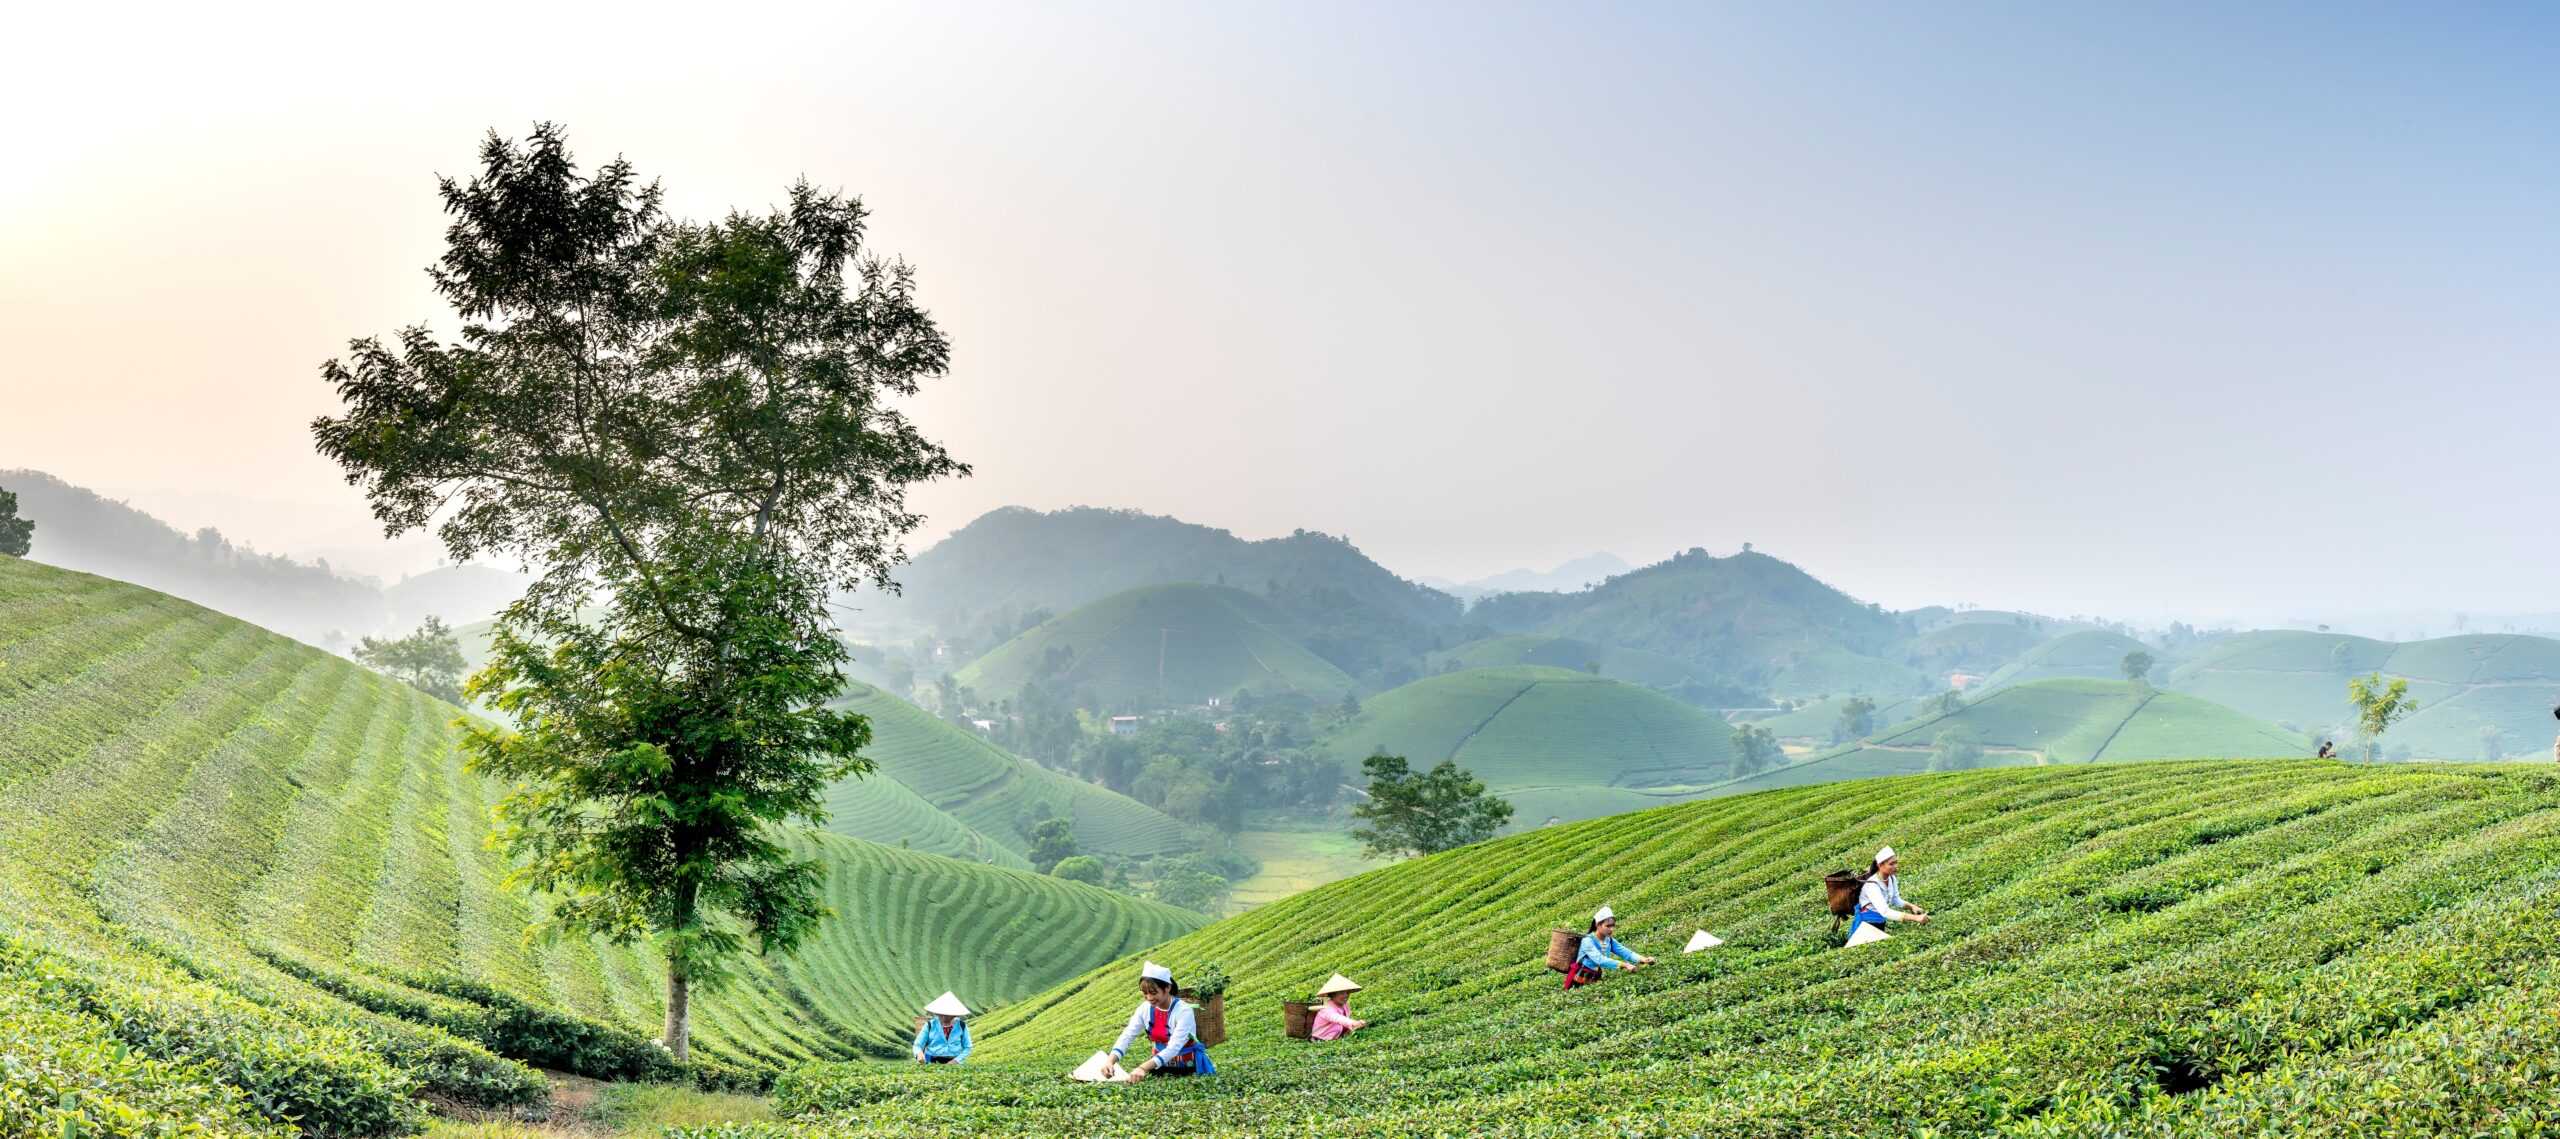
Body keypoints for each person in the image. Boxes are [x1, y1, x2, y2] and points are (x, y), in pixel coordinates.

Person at [1100, 961, 1214, 1080]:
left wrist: (1142, 1068)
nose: (1149, 998)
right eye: (1145, 993)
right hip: (1157, 1067)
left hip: (1185, 1067)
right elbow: (1128, 1035)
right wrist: (1110, 1061)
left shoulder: (1183, 1011)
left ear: (1167, 988)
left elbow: (1174, 1047)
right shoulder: (1144, 1009)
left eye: (1154, 993)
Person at [1564, 905, 1653, 989]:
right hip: (1579, 977)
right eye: (1608, 926)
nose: (1611, 929)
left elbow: (1625, 952)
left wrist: (1643, 959)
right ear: (1598, 925)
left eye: (1613, 925)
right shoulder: (1588, 940)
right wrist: (1624, 965)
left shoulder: (1609, 939)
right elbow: (1599, 959)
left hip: (1595, 976)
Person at [1849, 846, 1928, 937]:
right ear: (1880, 865)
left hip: (1880, 920)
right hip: (1867, 923)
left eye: (1896, 863)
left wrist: (1911, 906)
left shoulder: (1891, 878)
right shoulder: (1872, 885)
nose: (1895, 866)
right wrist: (1915, 918)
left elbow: (1895, 899)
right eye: (1891, 864)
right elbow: (1885, 911)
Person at [912, 991, 972, 1064]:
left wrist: (956, 1061)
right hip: (931, 1061)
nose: (943, 1016)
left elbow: (967, 1047)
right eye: (941, 1013)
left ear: (954, 1014)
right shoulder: (930, 1025)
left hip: (954, 1062)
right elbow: (918, 1045)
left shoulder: (961, 1026)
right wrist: (919, 1054)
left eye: (946, 1014)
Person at [1309, 974, 1368, 1040]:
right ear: (1333, 994)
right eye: (1342, 993)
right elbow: (1337, 1018)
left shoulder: (1345, 1005)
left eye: (1347, 992)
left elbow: (1344, 1023)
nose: (1346, 996)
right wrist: (1353, 1022)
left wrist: (1359, 1024)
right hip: (1320, 1040)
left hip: (1336, 1037)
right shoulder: (1326, 1008)